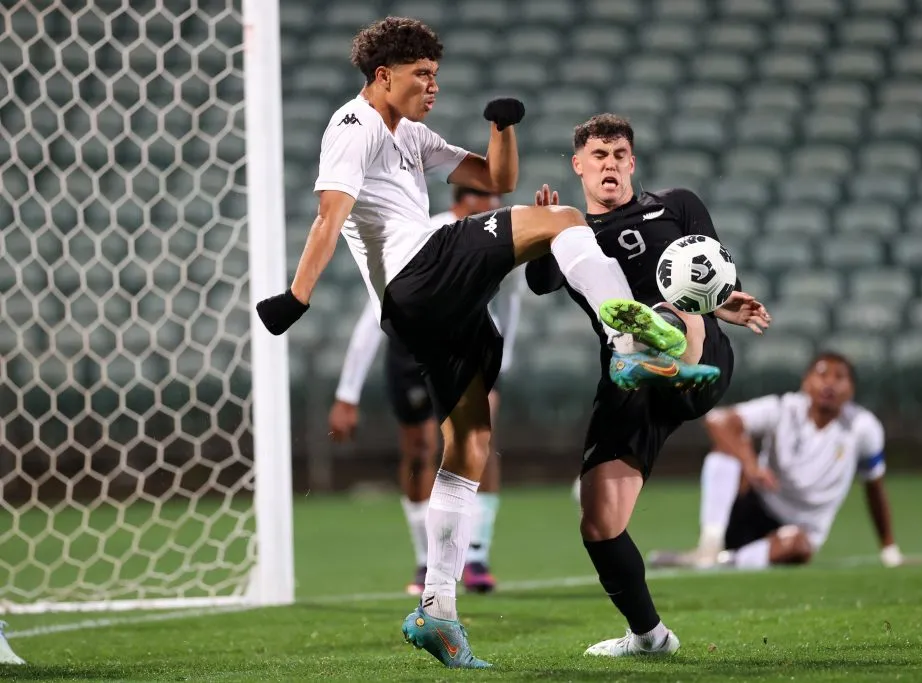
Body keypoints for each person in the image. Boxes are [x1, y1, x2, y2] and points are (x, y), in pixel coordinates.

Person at [254, 19, 702, 669]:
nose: (433, 86)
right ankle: (624, 338)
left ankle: (438, 608)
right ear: (383, 76)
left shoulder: (411, 133)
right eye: (421, 76)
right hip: (423, 268)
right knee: (565, 221)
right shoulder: (351, 129)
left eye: (437, 76)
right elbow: (331, 212)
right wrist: (298, 295)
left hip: (424, 312)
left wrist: (501, 128)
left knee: (469, 443)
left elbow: (497, 176)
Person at [526, 113, 772, 658]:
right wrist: (545, 228)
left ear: (632, 163)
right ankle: (650, 636)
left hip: (696, 358)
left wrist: (728, 304)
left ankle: (652, 333)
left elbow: (708, 273)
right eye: (598, 156)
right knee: (599, 520)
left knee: (666, 308)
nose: (609, 165)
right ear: (579, 166)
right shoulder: (572, 236)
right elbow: (538, 282)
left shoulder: (677, 206)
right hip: (628, 379)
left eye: (618, 156)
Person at [329, 186, 524, 595]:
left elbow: (511, 298)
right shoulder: (425, 234)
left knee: (480, 443)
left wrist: (504, 355)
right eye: (488, 196)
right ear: (464, 198)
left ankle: (475, 553)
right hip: (411, 353)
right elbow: (375, 312)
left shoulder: (498, 235)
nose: (496, 204)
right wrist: (348, 392)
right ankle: (424, 558)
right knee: (418, 450)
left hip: (468, 348)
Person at [647, 352, 904, 571]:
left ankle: (718, 561)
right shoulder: (785, 408)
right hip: (752, 506)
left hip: (798, 530)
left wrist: (889, 548)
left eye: (839, 377)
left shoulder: (863, 428)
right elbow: (718, 420)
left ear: (851, 389)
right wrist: (751, 464)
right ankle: (709, 545)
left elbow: (874, 487)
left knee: (799, 547)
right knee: (723, 453)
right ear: (806, 382)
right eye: (822, 374)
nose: (829, 384)